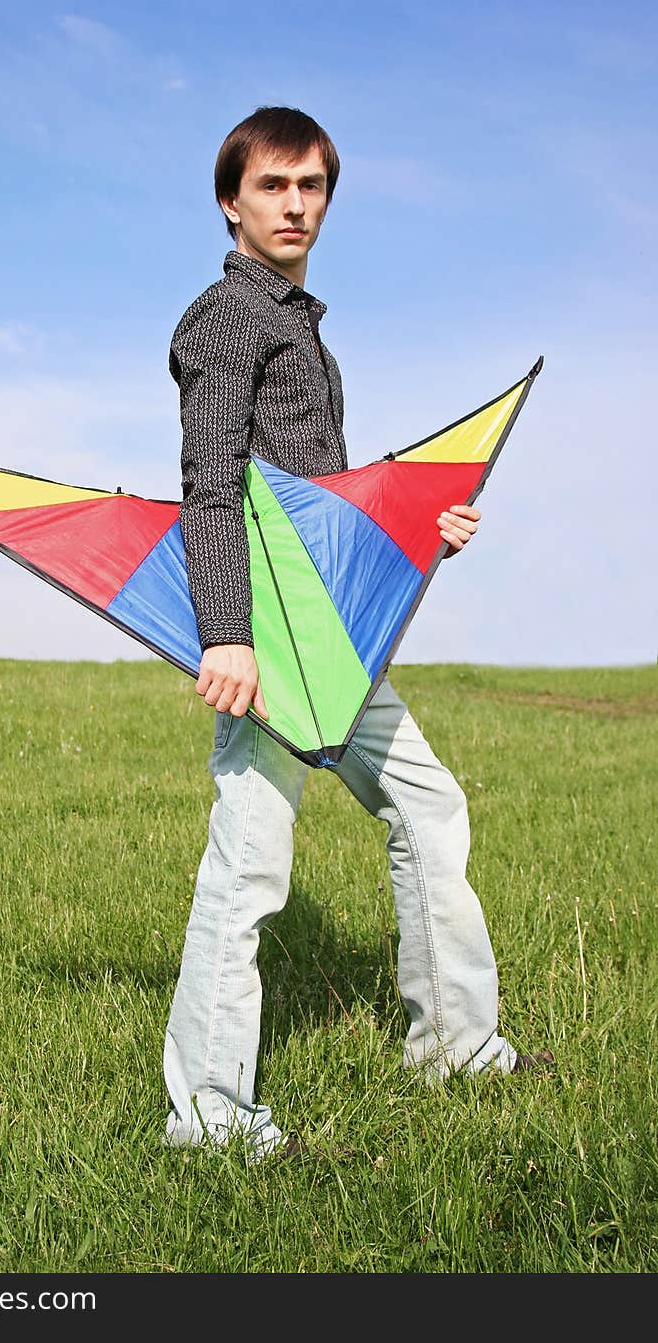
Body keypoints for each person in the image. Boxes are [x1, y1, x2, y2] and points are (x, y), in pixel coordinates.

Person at [162, 105, 552, 1162]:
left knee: (427, 807)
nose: (295, 205)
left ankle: (457, 1046)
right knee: (246, 865)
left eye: (312, 186)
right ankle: (205, 1114)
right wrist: (226, 635)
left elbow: (317, 504)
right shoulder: (226, 322)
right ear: (230, 201)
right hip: (270, 648)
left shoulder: (297, 320)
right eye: (274, 186)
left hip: (335, 642)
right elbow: (210, 489)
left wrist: (417, 533)